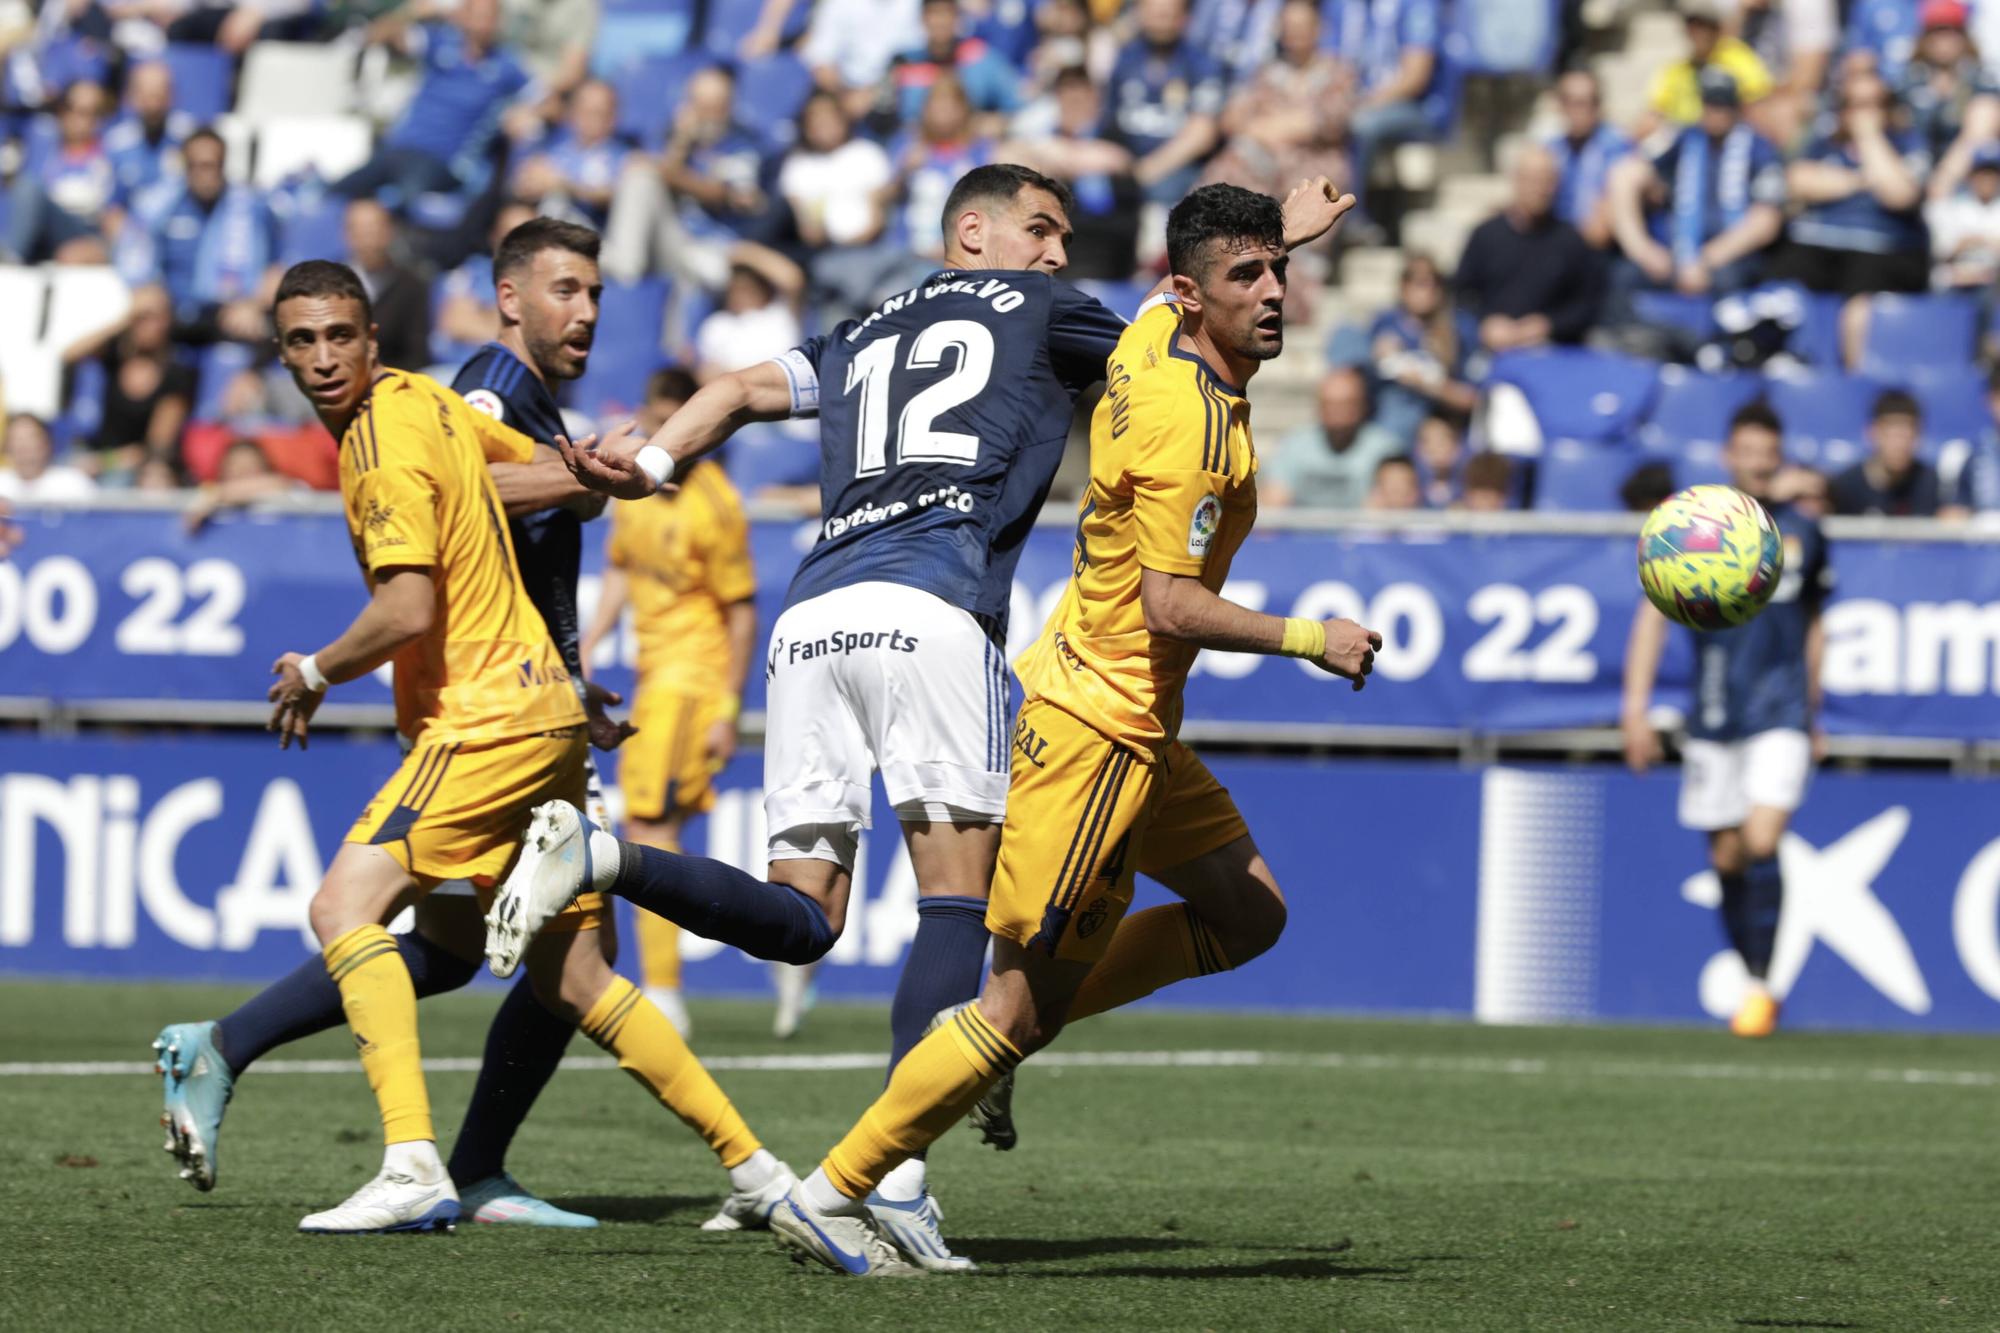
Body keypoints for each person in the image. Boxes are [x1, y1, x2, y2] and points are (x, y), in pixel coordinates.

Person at [498, 167, 1359, 1270]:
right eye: (1039, 230)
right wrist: (1282, 233)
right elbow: (1170, 325)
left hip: (812, 616)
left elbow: (736, 390)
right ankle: (890, 1177)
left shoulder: (860, 328)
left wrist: (652, 461)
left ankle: (606, 856)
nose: (1055, 255)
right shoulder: (1049, 313)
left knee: (803, 917)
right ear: (972, 232)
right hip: (936, 612)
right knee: (957, 913)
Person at [756, 181, 1378, 1276]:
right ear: (1194, 297)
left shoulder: (1148, 344)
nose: (1275, 293)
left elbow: (1153, 304)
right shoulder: (1188, 423)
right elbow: (1167, 603)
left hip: (1132, 717)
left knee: (1246, 912)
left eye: (1278, 272)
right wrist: (1305, 635)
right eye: (1250, 277)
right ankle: (836, 1187)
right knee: (1014, 1003)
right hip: (1100, 725)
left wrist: (1278, 223)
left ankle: (984, 1051)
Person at [153, 244, 794, 1235]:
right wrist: (588, 471)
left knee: (343, 905)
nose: (323, 358)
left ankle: (412, 1164)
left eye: (339, 337)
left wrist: (316, 670)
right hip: (545, 713)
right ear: (281, 357)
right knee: (564, 973)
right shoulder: (423, 397)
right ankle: (758, 1172)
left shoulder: (382, 438)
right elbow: (527, 478)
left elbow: (408, 607)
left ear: (373, 339)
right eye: (301, 343)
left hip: (486, 716)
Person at [1623, 401, 1831, 1039]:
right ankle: (1754, 977)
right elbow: (1653, 618)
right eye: (1748, 450)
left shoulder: (1804, 531)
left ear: (1781, 456)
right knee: (1729, 858)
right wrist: (1635, 711)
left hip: (1781, 710)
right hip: (1715, 713)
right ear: (1729, 457)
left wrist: (1815, 709)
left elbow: (1817, 623)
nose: (1760, 462)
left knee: (1763, 839)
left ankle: (1763, 990)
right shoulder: (1694, 528)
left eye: (1769, 451)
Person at [578, 367, 757, 1040]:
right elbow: (623, 564)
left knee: (648, 832)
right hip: (655, 674)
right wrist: (593, 636)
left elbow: (741, 612)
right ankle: (780, 930)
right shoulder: (636, 490)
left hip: (693, 679)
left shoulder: (716, 504)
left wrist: (727, 708)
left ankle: (665, 992)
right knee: (662, 836)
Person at [1606, 68, 1785, 319]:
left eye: (1722, 104)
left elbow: (1766, 222)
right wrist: (1644, 250)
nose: (1714, 112)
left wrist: (1705, 260)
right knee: (1624, 275)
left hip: (1729, 256)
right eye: (1709, 103)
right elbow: (1629, 171)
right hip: (1677, 250)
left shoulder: (1759, 148)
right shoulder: (1685, 138)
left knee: (1729, 281)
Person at [336, 0, 538, 208]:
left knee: (400, 205)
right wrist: (414, 11)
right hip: (399, 148)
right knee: (336, 195)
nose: (483, 24)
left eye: (489, 17)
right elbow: (378, 34)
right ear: (463, 17)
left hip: (444, 163)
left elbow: (544, 100)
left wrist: (523, 114)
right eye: (477, 15)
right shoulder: (439, 42)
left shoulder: (508, 65)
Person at [1769, 67, 1929, 299]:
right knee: (1776, 291)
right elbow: (1796, 180)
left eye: (1875, 103)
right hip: (1816, 241)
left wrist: (1869, 137)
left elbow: (1900, 196)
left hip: (1880, 247)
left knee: (1864, 291)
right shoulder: (1823, 141)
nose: (1864, 113)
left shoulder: (1905, 142)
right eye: (1854, 104)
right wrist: (1864, 180)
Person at [1200, 0, 1354, 208]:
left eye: (1302, 27)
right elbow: (1232, 118)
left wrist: (1270, 126)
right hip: (1263, 159)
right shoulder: (1265, 73)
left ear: (1319, 28)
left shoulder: (1337, 73)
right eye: (1290, 27)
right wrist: (1260, 129)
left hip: (1312, 163)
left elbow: (1328, 121)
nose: (1296, 34)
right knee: (1229, 165)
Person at [116, 128, 276, 327]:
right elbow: (137, 259)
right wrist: (147, 290)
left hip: (229, 312)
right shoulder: (158, 207)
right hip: (173, 316)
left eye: (210, 165)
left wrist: (254, 303)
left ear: (223, 165)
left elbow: (276, 267)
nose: (204, 174)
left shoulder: (252, 208)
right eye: (195, 166)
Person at [1455, 145, 1605, 355]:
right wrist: (1486, 323)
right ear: (1516, 180)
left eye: (1547, 180)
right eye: (1533, 179)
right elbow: (1462, 295)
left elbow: (1588, 305)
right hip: (1491, 352)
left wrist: (1548, 325)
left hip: (1552, 353)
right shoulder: (1486, 235)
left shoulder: (1572, 241)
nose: (1541, 188)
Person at [61, 282, 195, 479]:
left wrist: (104, 462)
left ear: (167, 320)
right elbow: (69, 355)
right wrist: (122, 321)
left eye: (153, 317)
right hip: (94, 455)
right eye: (140, 317)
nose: (145, 325)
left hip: (133, 466)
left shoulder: (176, 375)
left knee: (118, 480)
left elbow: (157, 447)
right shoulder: (114, 356)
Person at [1103, 0, 1222, 204]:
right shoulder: (1126, 57)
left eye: (1167, 15)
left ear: (1184, 18)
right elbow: (1107, 118)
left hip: (1176, 168)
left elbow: (1203, 133)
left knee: (1164, 191)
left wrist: (1147, 170)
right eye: (1153, 13)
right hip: (1127, 158)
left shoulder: (1200, 63)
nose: (1160, 22)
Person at [7, 78, 120, 264]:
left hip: (87, 232)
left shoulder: (111, 155)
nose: (83, 119)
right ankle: (11, 260)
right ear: (61, 112)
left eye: (94, 112)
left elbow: (120, 217)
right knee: (27, 187)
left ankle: (10, 261)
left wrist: (105, 248)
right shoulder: (44, 152)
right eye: (73, 109)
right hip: (45, 232)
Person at [1263, 366, 1403, 509]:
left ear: (1362, 406)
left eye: (1345, 405)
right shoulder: (1293, 446)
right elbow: (1274, 501)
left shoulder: (1385, 450)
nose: (1337, 414)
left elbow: (1395, 507)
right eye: (1329, 405)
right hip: (1303, 530)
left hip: (1361, 529)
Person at [509, 77, 629, 228]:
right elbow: (521, 184)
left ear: (613, 118)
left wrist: (564, 186)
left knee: (556, 198)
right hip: (550, 226)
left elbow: (615, 196)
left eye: (598, 113)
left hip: (594, 235)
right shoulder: (556, 150)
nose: (588, 119)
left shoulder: (623, 158)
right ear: (572, 113)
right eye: (583, 111)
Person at [1640, 0, 1773, 136]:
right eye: (1692, 25)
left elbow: (1756, 112)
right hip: (1684, 140)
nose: (1698, 32)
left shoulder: (1739, 60)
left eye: (1704, 25)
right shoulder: (1674, 70)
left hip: (1726, 139)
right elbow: (1653, 114)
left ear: (1717, 28)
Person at [890, 0, 1023, 131]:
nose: (940, 21)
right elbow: (883, 118)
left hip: (972, 143)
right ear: (922, 19)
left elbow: (1016, 103)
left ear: (958, 18)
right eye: (933, 13)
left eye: (946, 13)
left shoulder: (978, 56)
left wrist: (999, 122)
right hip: (920, 144)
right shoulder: (905, 63)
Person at [1828, 388, 1948, 516]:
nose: (1899, 445)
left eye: (1906, 436)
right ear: (1873, 433)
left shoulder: (1930, 483)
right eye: (1891, 435)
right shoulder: (1847, 486)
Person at [1545, 69, 1629, 249]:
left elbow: (1602, 228)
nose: (1578, 111)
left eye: (1585, 103)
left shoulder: (1616, 147)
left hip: (1600, 251)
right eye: (1570, 102)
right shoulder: (1552, 149)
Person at [343, 199, 431, 371]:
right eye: (360, 231)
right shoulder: (332, 282)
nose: (368, 240)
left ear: (389, 231)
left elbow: (417, 354)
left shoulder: (412, 286)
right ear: (347, 235)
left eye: (374, 230)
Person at [0, 414, 96, 502]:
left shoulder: (74, 483)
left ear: (46, 443)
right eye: (17, 439)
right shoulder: (2, 483)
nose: (23, 446)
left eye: (31, 439)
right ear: (7, 447)